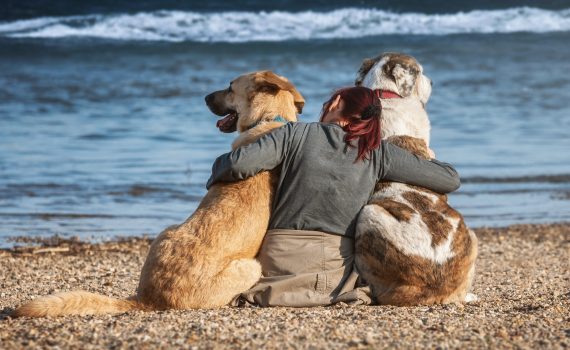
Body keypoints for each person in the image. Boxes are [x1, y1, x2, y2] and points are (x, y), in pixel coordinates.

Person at [206, 86, 460, 307]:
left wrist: (214, 175)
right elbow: (449, 178)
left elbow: (237, 165)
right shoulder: (378, 153)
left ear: (336, 104)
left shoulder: (295, 133)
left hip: (278, 261)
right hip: (333, 274)